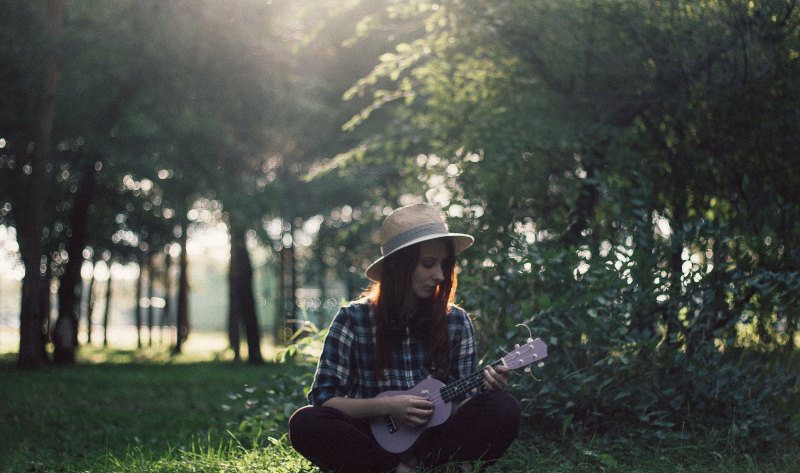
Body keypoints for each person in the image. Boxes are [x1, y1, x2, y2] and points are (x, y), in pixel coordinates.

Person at [288, 203, 521, 472]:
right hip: (373, 440)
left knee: (503, 407)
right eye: (428, 264)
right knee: (306, 423)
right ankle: (392, 468)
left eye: (444, 264)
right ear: (400, 266)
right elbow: (325, 399)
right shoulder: (353, 319)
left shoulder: (456, 321)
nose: (440, 275)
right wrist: (388, 406)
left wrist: (485, 390)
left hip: (435, 441)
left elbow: (463, 403)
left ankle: (427, 465)